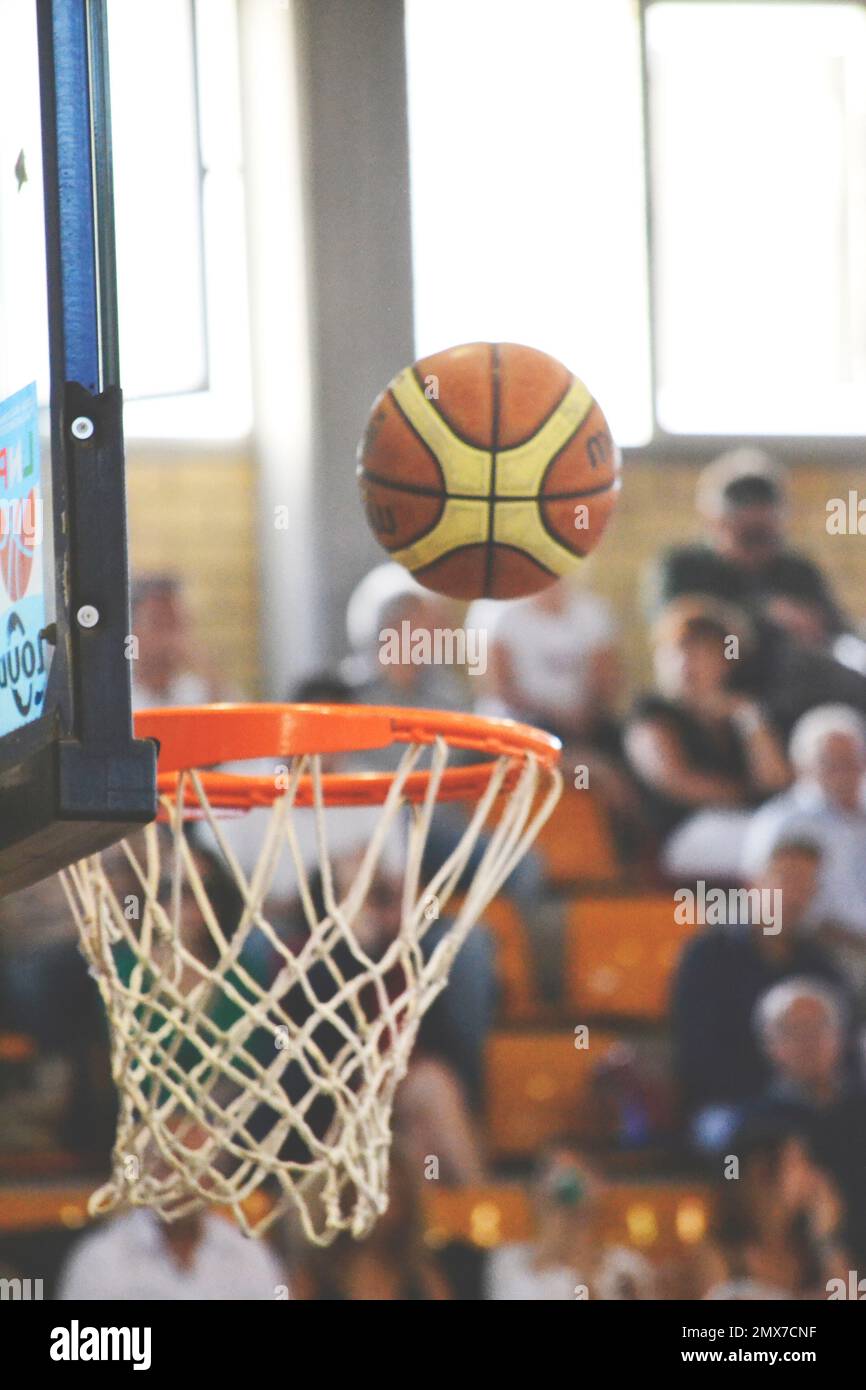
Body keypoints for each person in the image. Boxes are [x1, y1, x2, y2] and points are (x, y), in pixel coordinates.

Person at [670, 838, 850, 1152]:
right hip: (731, 1106)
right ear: (754, 884)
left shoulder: (823, 967)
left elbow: (845, 1049)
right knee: (760, 1136)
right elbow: (697, 1056)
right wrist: (778, 1091)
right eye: (787, 879)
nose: (796, 894)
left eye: (807, 884)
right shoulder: (708, 957)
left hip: (813, 1104)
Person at [624, 598, 789, 876]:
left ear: (725, 662)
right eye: (677, 651)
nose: (686, 663)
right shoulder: (651, 714)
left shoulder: (741, 714)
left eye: (700, 652)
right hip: (683, 834)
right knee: (775, 850)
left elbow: (774, 780)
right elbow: (675, 781)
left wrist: (750, 721)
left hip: (746, 822)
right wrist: (748, 796)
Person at [742, 705, 866, 991]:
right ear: (804, 766)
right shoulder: (782, 821)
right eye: (832, 762)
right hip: (821, 949)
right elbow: (770, 906)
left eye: (853, 760)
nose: (845, 772)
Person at [749, 979, 866, 1265]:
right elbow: (736, 1191)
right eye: (793, 1031)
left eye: (818, 1028)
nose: (808, 1041)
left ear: (839, 1037)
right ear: (770, 1043)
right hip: (803, 1272)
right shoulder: (753, 1125)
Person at [698, 1120, 850, 1300]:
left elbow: (849, 1296)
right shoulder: (719, 1255)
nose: (812, 1176)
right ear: (760, 1172)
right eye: (797, 1162)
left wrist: (825, 1238)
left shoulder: (812, 1252)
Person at [484, 1141, 655, 1300]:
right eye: (552, 1171)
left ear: (601, 1186)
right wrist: (553, 1239)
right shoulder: (509, 1260)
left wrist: (583, 1265)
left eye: (577, 1172)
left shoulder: (626, 1265)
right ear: (534, 1191)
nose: (564, 1181)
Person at [57, 1208, 287, 1300]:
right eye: (171, 1164)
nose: (184, 1181)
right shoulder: (99, 1258)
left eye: (195, 1166)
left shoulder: (248, 1251)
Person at [130, 574, 223, 709]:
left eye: (175, 623)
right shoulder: (119, 693)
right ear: (133, 631)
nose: (170, 636)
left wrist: (205, 667)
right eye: (158, 624)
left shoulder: (197, 691)